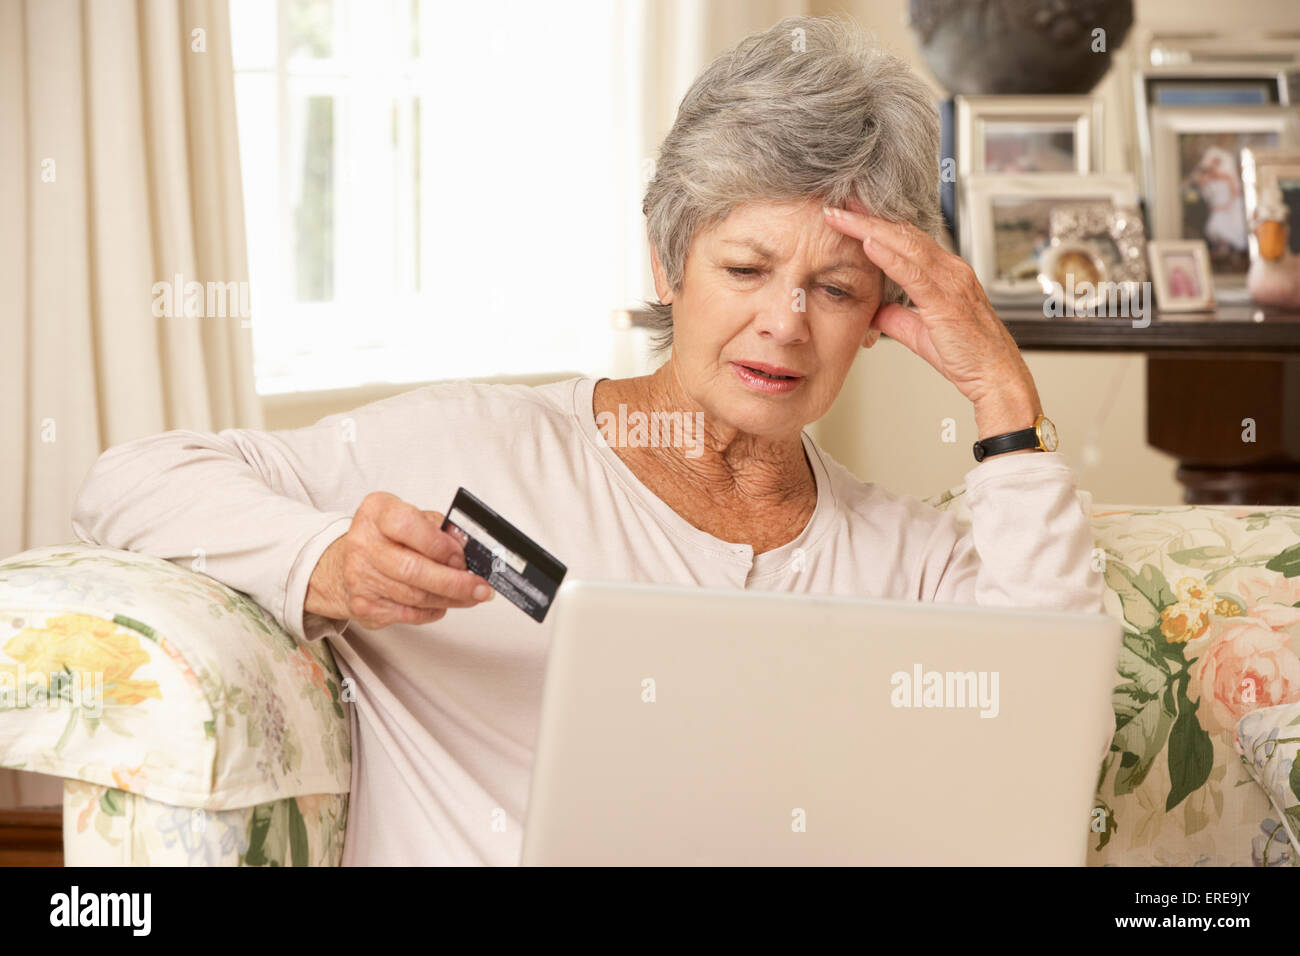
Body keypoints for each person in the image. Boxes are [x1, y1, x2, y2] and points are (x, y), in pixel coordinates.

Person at [71, 15, 1104, 865]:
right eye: (744, 269)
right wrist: (324, 564)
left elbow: (1050, 726)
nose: (785, 322)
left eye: (834, 288)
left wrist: (998, 390)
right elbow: (136, 479)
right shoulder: (475, 448)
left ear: (884, 310)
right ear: (667, 262)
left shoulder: (901, 558)